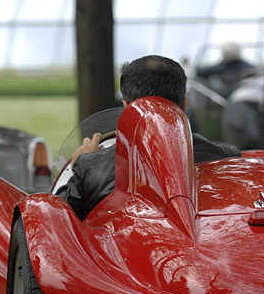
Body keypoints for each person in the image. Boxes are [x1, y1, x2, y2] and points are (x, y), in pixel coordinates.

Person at [63, 54, 241, 220]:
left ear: (126, 107)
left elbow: (56, 223)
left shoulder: (91, 168)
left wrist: (79, 165)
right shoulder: (227, 156)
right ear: (184, 104)